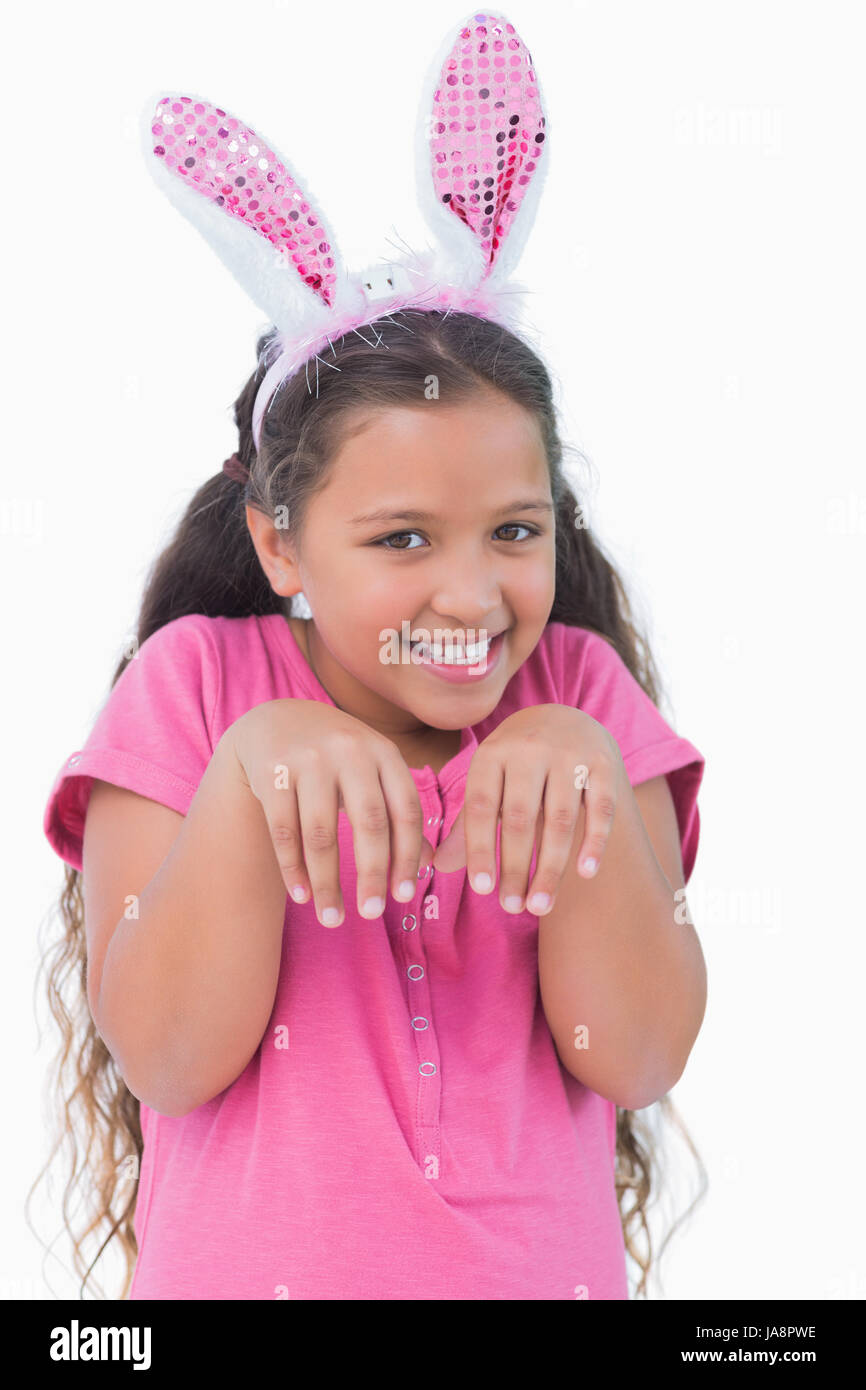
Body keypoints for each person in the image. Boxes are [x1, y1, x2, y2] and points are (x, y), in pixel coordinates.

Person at [35, 12, 708, 1301]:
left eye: (515, 530)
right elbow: (171, 1058)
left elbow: (633, 1054)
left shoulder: (583, 701)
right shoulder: (192, 690)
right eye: (401, 536)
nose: (471, 587)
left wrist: (577, 785)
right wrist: (247, 779)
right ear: (281, 546)